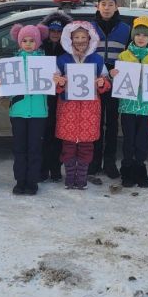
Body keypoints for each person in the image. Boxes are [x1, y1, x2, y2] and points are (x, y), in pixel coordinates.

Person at [111, 16, 148, 188]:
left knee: (142, 140)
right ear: (133, 36)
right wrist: (113, 75)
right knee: (128, 140)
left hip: (147, 108)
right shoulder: (124, 56)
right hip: (128, 106)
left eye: (144, 35)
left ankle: (140, 169)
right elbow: (117, 82)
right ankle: (127, 169)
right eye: (138, 34)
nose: (141, 38)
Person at [53, 21, 111, 189]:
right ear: (70, 39)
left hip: (89, 111)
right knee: (68, 146)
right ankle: (70, 177)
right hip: (68, 110)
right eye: (76, 37)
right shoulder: (62, 60)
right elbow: (55, 85)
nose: (80, 40)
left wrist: (101, 83)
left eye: (83, 37)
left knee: (86, 146)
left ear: (90, 39)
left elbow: (106, 83)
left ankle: (82, 177)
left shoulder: (97, 60)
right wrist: (60, 82)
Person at [91, 0, 131, 178]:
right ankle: (94, 161)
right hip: (95, 81)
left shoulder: (125, 29)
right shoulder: (90, 28)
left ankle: (109, 162)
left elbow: (131, 55)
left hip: (117, 82)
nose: (106, 7)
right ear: (97, 7)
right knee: (96, 122)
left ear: (116, 7)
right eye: (103, 4)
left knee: (112, 123)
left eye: (110, 4)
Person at [6, 22, 50, 196]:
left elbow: (56, 82)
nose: (29, 43)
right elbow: (5, 87)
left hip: (39, 112)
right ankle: (20, 181)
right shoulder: (13, 62)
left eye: (32, 40)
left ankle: (32, 181)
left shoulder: (46, 62)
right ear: (19, 42)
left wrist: (56, 79)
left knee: (35, 148)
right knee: (19, 148)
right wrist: (1, 83)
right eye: (25, 40)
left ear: (38, 41)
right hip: (18, 111)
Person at [39, 10, 72, 182]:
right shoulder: (39, 47)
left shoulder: (68, 50)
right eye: (52, 31)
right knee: (45, 133)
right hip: (44, 98)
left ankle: (56, 167)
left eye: (59, 31)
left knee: (59, 134)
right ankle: (44, 168)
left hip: (62, 98)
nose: (55, 34)